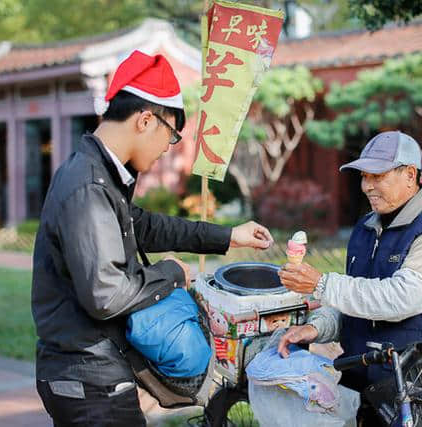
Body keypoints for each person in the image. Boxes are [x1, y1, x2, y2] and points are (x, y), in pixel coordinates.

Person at [31, 50, 274, 427]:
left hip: (90, 374)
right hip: (89, 380)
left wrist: (228, 235)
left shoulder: (100, 176)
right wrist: (171, 274)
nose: (167, 149)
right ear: (146, 120)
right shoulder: (89, 186)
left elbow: (145, 226)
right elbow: (106, 294)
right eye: (171, 134)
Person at [277, 131, 422, 424]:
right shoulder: (366, 227)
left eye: (377, 176)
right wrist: (319, 327)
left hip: (418, 389)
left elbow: (401, 299)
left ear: (410, 175)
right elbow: (359, 300)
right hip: (364, 383)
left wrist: (321, 284)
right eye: (364, 176)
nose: (367, 186)